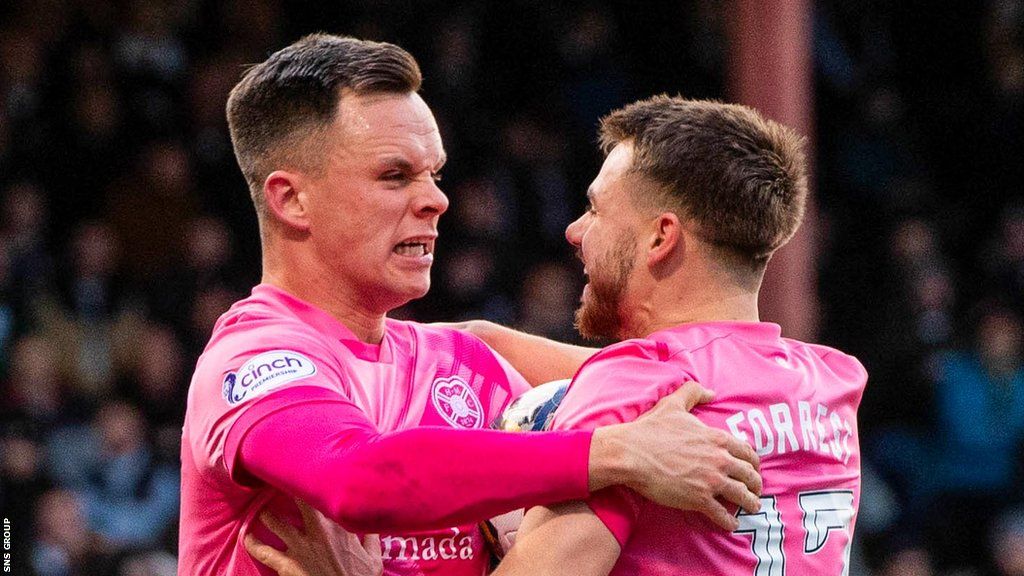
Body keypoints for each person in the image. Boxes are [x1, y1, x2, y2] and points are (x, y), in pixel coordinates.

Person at [178, 35, 763, 576]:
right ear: (291, 200)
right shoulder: (252, 360)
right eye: (395, 175)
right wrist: (613, 453)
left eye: (434, 174)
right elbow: (361, 477)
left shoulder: (465, 361)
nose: (435, 199)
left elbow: (696, 393)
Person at [249, 96, 867, 576]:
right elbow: (683, 372)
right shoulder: (831, 385)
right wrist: (436, 338)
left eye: (596, 210)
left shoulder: (632, 399)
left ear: (661, 237)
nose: (574, 231)